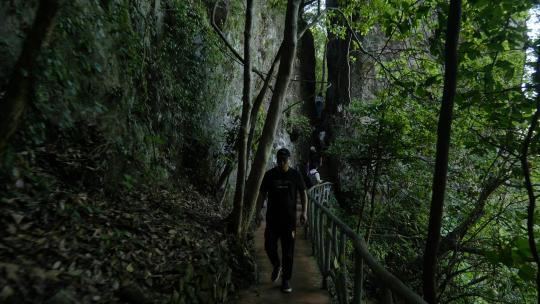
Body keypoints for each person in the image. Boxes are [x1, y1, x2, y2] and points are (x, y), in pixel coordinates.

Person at [258, 148, 308, 293]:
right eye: (279, 160)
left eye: (284, 160)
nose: (281, 163)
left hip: (289, 221)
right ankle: (276, 265)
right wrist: (258, 212)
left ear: (289, 160)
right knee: (269, 246)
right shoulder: (269, 175)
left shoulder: (295, 175)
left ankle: (286, 279)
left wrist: (304, 212)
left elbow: (303, 193)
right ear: (276, 159)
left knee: (288, 251)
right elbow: (262, 194)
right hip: (272, 220)